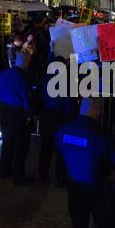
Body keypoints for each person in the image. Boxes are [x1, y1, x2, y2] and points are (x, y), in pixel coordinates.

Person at [56, 98, 115, 228]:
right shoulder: (101, 136)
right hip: (99, 190)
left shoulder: (63, 130)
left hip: (75, 188)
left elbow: (62, 151)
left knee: (78, 227)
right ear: (97, 110)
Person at [0, 53, 35, 185]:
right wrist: (29, 114)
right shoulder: (22, 78)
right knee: (20, 147)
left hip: (5, 111)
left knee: (7, 143)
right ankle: (18, 176)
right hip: (18, 114)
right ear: (26, 63)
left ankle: (4, 170)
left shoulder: (4, 73)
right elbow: (25, 99)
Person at [38, 56, 78, 187]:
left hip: (46, 118)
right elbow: (70, 106)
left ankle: (42, 175)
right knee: (61, 151)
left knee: (45, 149)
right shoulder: (67, 83)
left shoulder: (45, 79)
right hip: (62, 120)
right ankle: (60, 179)